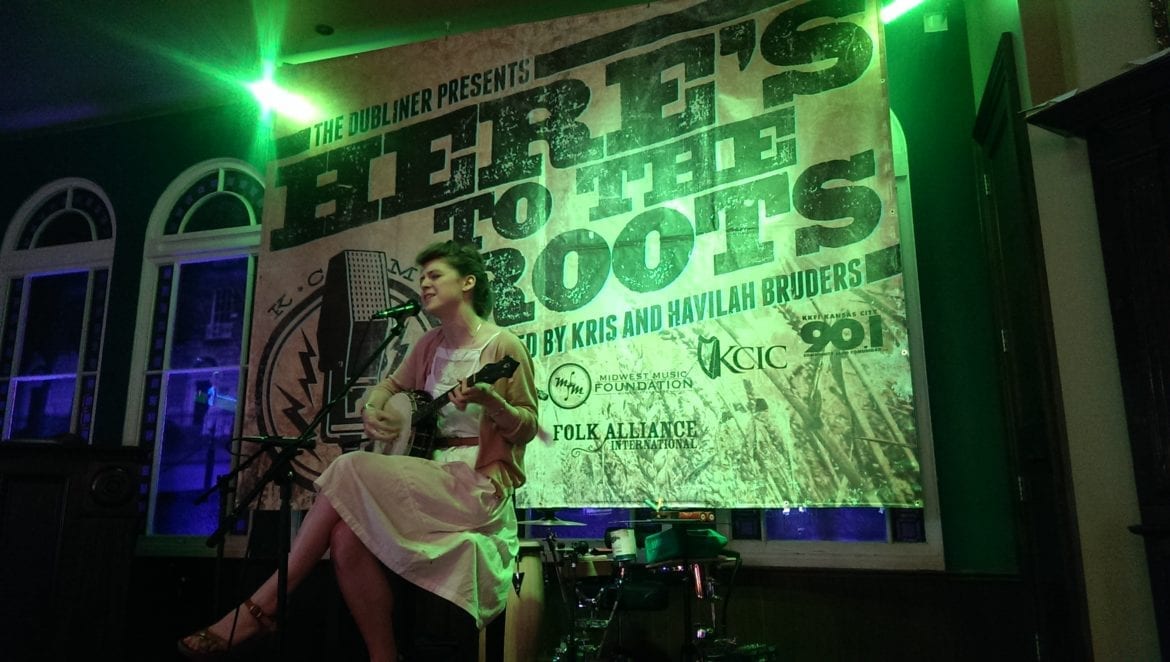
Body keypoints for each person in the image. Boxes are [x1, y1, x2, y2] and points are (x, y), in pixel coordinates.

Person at [178, 240, 539, 661]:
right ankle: (383, 656)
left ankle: (261, 607)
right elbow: (387, 388)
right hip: (428, 476)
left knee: (349, 466)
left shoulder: (503, 345)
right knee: (345, 536)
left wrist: (490, 401)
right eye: (421, 277)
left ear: (469, 282)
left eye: (435, 275)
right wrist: (373, 410)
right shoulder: (429, 345)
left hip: (476, 487)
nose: (424, 283)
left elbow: (528, 426)